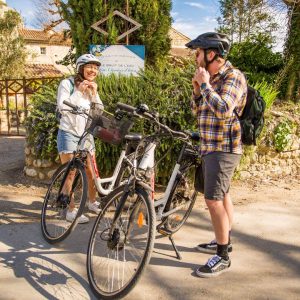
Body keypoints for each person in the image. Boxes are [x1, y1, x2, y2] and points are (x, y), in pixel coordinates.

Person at [185, 32, 247, 277]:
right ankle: (225, 240)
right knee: (223, 195)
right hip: (211, 146)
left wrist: (205, 85)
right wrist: (197, 91)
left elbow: (223, 109)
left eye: (198, 53)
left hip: (224, 147)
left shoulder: (234, 76)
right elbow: (198, 111)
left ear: (211, 54)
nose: (195, 58)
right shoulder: (209, 78)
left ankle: (222, 256)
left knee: (213, 200)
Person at [56, 53, 103, 224]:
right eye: (90, 66)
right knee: (71, 173)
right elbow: (63, 107)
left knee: (91, 172)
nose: (93, 70)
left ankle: (92, 202)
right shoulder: (66, 84)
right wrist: (79, 91)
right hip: (68, 132)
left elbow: (98, 112)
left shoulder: (92, 87)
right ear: (81, 68)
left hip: (86, 134)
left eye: (96, 68)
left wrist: (95, 94)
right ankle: (71, 209)